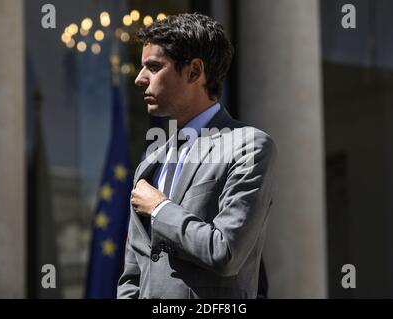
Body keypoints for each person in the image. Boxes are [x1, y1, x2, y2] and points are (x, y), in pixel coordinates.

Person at [117, 13, 276, 299]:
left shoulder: (249, 146)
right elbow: (134, 273)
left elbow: (225, 251)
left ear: (194, 71)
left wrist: (160, 209)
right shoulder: (151, 161)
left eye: (153, 67)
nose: (140, 79)